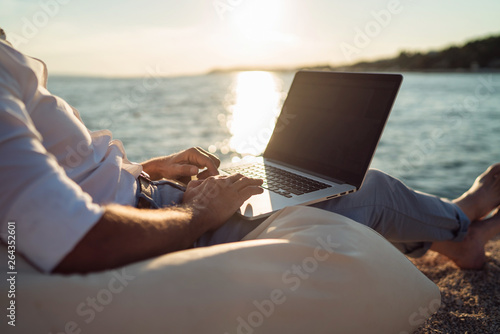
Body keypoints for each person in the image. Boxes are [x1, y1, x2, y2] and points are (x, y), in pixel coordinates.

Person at [1, 31, 499, 275]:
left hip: (151, 194)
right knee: (366, 190)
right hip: (155, 215)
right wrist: (195, 213)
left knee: (306, 181)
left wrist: (144, 169)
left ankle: (449, 232)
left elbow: (55, 175)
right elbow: (74, 239)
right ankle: (459, 227)